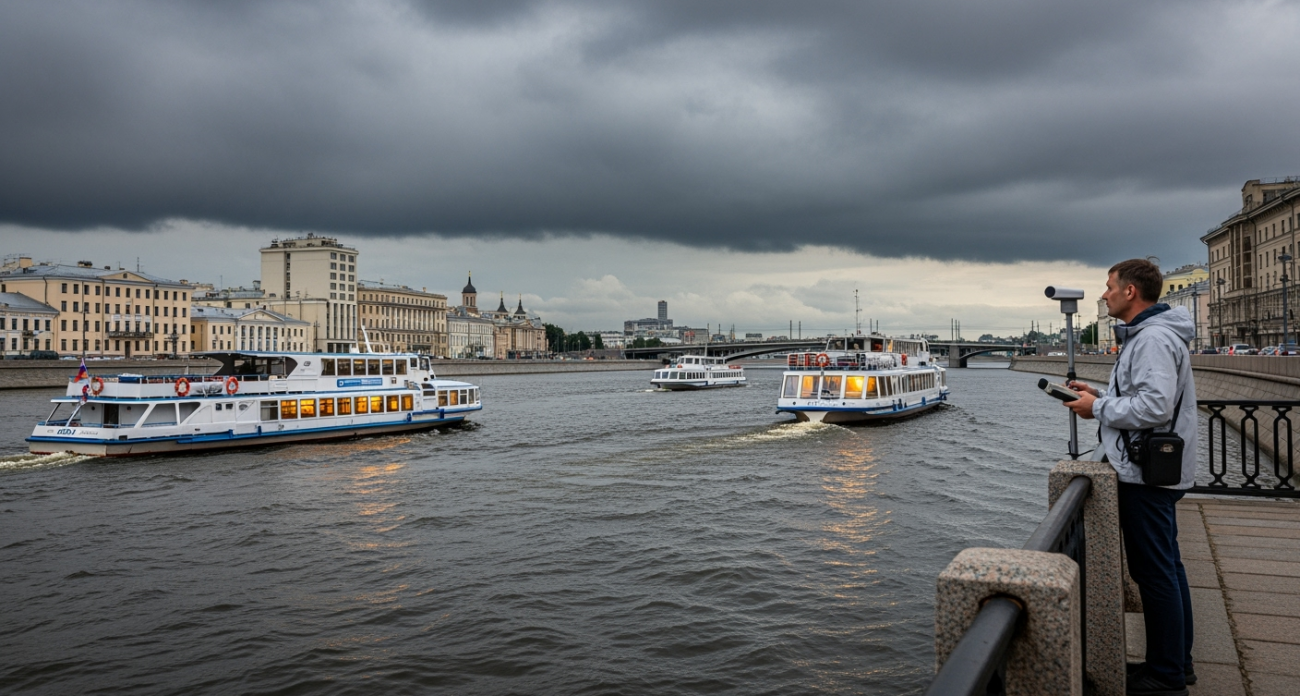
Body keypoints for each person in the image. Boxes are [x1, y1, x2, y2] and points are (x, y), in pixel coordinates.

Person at [1063, 258, 1197, 696]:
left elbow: (1155, 407)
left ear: (1130, 292)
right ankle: (1177, 662)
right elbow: (1145, 397)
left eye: (1108, 287)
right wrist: (1100, 394)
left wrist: (1097, 409)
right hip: (1151, 469)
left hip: (1145, 474)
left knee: (1155, 573)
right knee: (1168, 569)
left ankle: (1166, 675)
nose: (1103, 295)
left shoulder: (1153, 338)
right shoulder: (1150, 335)